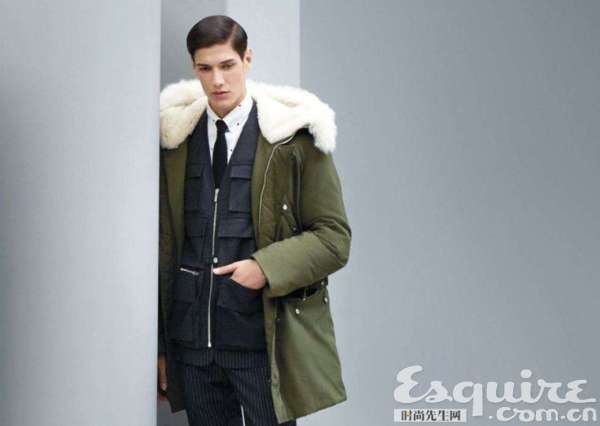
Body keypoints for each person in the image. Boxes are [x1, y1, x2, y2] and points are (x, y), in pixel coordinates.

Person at [157, 14, 351, 425]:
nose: (217, 81)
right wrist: (161, 349)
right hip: (193, 347)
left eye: (227, 65)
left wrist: (265, 267)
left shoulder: (293, 139)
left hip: (262, 343)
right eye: (205, 68)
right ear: (194, 67)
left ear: (247, 59)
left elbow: (334, 238)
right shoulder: (174, 141)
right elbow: (162, 248)